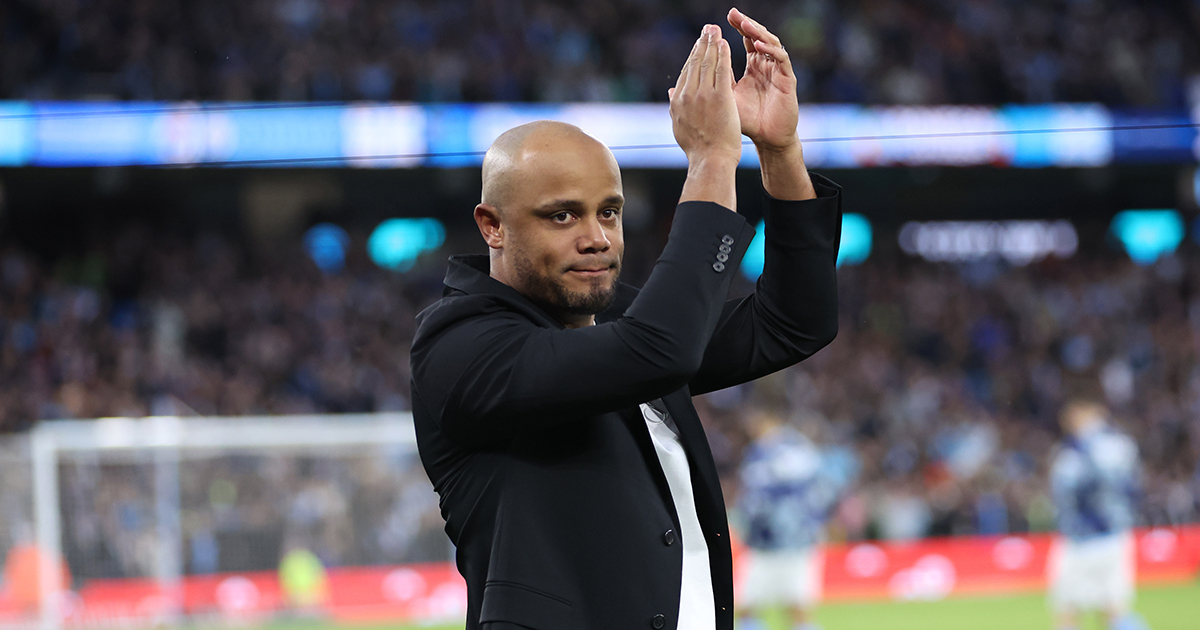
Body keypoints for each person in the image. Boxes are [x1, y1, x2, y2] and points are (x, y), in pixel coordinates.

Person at [410, 8, 842, 629]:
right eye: (562, 216)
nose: (597, 238)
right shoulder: (459, 345)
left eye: (608, 213)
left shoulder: (618, 320)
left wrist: (777, 151)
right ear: (492, 226)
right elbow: (660, 349)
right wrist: (713, 159)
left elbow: (795, 322)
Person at [734, 406, 855, 630]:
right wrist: (817, 522)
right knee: (798, 608)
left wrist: (746, 527)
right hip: (801, 539)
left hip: (765, 543)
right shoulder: (804, 450)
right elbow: (827, 489)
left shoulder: (760, 453)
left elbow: (752, 500)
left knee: (748, 607)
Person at [1047, 399, 1150, 630]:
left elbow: (1063, 493)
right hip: (1115, 534)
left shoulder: (1070, 452)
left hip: (1079, 539)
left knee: (1067, 611)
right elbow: (1134, 487)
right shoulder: (1123, 446)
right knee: (1115, 610)